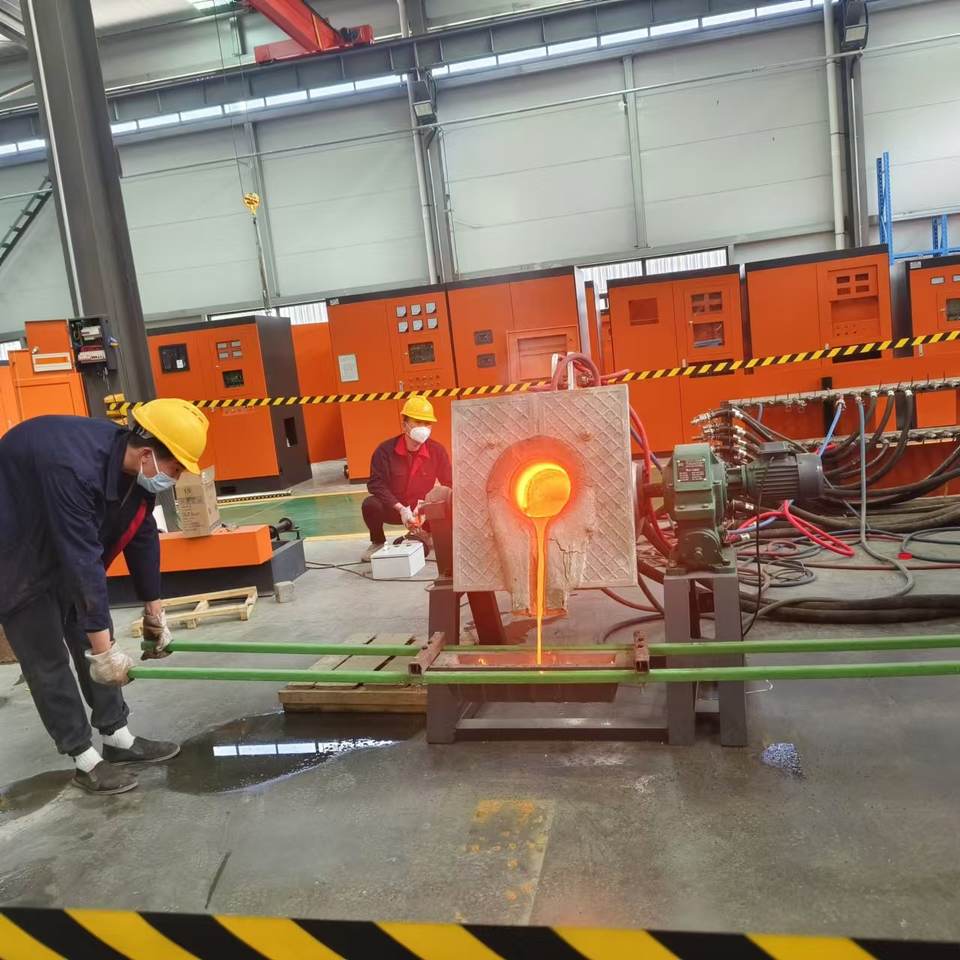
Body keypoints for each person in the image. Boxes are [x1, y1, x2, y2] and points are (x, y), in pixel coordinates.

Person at [0, 399, 210, 796]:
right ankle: (83, 759)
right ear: (148, 454)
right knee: (48, 658)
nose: (178, 477)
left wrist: (154, 611)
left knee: (94, 635)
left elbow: (141, 534)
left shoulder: (133, 472)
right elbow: (83, 560)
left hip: (58, 540)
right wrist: (104, 652)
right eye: (177, 468)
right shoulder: (73, 468)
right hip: (13, 553)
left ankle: (117, 739)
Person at [361, 395, 452, 562]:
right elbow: (376, 484)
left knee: (450, 501)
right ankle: (378, 542)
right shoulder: (385, 451)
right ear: (404, 425)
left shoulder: (437, 451)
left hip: (422, 511)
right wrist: (400, 509)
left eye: (427, 423)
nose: (423, 428)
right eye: (417, 422)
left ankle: (428, 533)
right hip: (395, 510)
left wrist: (427, 506)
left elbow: (450, 483)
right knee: (370, 504)